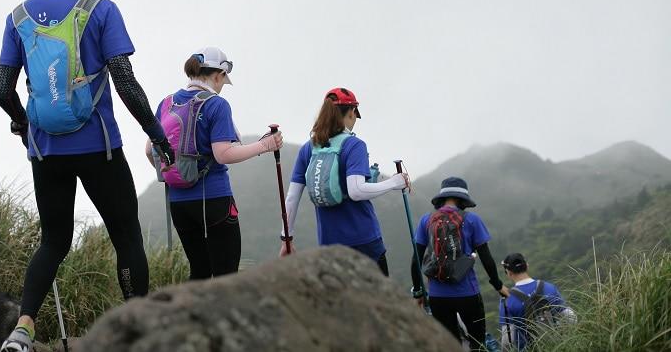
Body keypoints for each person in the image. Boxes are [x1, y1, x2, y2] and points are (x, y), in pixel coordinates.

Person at [0, 0, 174, 352]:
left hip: (45, 150)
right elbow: (125, 82)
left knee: (53, 242)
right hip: (100, 147)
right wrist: (158, 135)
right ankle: (137, 332)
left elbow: (2, 89)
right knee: (126, 237)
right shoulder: (102, 8)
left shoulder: (18, 16)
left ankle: (22, 330)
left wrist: (24, 125)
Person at [145, 47, 283, 280]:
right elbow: (223, 154)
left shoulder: (166, 103)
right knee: (226, 276)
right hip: (214, 199)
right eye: (222, 80)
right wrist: (266, 146)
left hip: (179, 203)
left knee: (198, 271)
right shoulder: (216, 105)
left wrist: (176, 173)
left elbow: (150, 150)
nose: (221, 86)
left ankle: (193, 316)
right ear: (217, 75)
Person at [280, 87, 409, 276]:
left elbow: (291, 198)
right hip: (365, 242)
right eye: (355, 115)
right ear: (351, 112)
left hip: (329, 244)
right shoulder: (354, 145)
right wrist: (394, 183)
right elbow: (356, 190)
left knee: (341, 304)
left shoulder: (309, 149)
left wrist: (286, 239)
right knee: (377, 303)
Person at [411, 177, 509, 351]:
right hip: (468, 294)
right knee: (477, 344)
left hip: (437, 296)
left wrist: (418, 291)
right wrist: (498, 284)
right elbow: (486, 258)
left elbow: (416, 260)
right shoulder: (472, 220)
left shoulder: (426, 220)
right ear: (463, 199)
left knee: (450, 346)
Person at [499, 253, 576, 351]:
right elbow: (571, 318)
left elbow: (507, 342)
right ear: (527, 266)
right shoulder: (549, 287)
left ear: (508, 272)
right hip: (557, 347)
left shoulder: (507, 300)